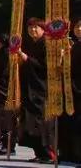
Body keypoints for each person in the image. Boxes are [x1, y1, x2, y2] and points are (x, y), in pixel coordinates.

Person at [17, 18, 56, 163]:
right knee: (30, 122)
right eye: (30, 28)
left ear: (43, 29)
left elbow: (44, 66)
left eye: (36, 28)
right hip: (30, 88)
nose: (33, 30)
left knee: (41, 123)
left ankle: (48, 153)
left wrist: (26, 58)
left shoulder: (46, 44)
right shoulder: (31, 44)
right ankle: (39, 152)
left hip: (41, 89)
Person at [59, 18, 81, 163]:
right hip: (71, 89)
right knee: (70, 123)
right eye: (78, 26)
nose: (79, 29)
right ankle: (70, 154)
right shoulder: (74, 46)